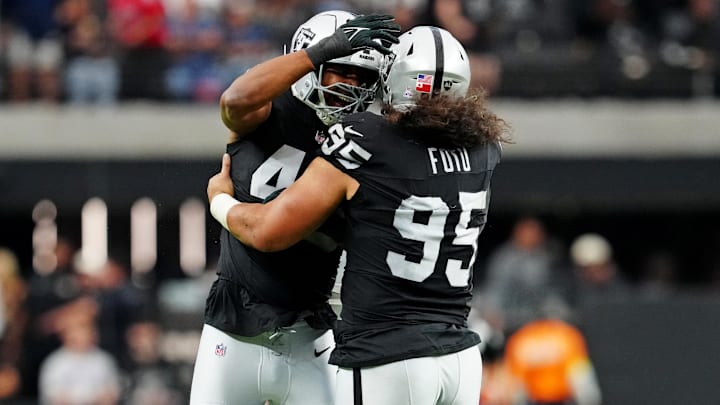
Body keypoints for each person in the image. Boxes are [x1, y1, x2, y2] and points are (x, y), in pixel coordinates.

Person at [207, 25, 511, 405]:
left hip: (387, 352)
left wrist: (220, 199)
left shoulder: (365, 137)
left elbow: (270, 232)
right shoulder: (485, 149)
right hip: (460, 356)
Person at [189, 10, 400, 405]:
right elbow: (234, 100)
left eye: (362, 77)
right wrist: (318, 54)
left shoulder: (362, 141)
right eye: (340, 70)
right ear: (310, 60)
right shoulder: (272, 109)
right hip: (234, 327)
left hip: (311, 333)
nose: (352, 86)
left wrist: (219, 200)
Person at [504, 319, 602, 405]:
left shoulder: (521, 338)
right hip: (546, 398)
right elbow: (581, 375)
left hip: (555, 398)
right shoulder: (566, 334)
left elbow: (516, 382)